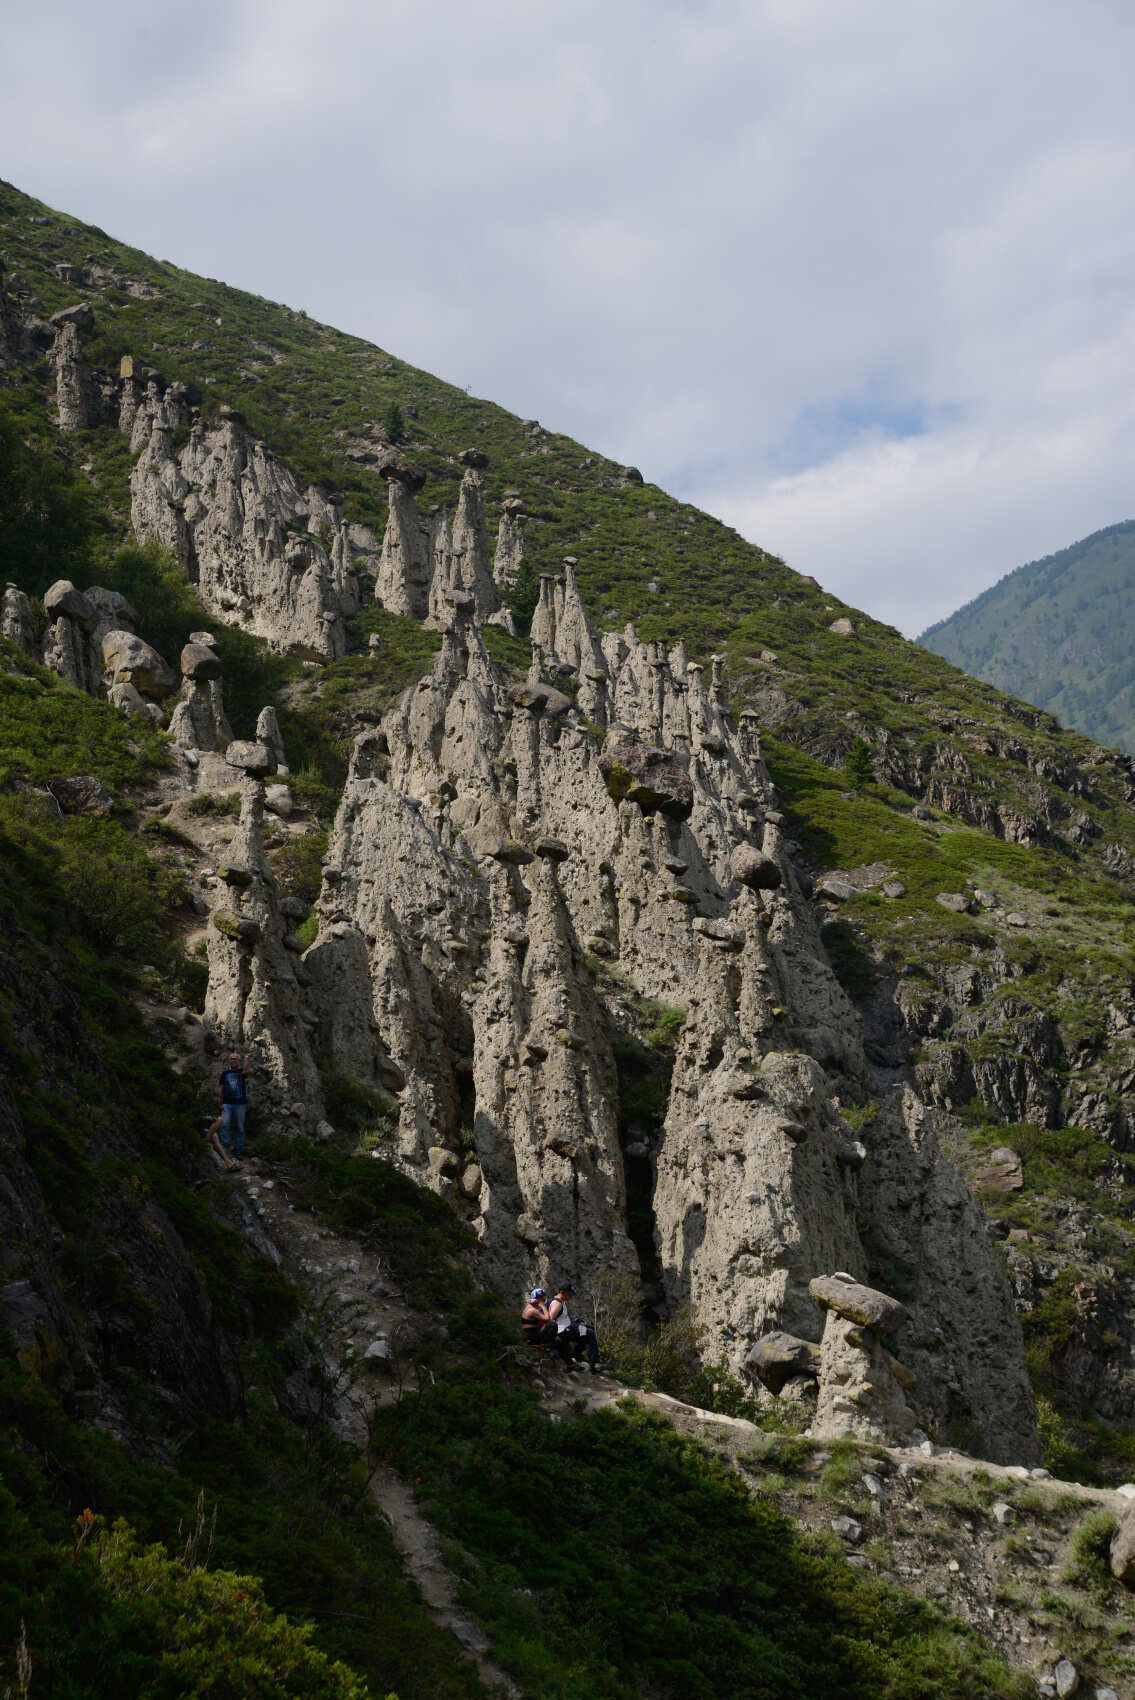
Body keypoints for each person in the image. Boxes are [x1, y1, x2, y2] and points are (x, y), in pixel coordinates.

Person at [548, 1282, 601, 1372]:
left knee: (588, 1329)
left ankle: (578, 1353)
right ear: (562, 1292)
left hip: (569, 1327)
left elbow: (563, 1317)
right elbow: (549, 1319)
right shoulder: (557, 1303)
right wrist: (554, 1335)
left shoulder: (561, 1302)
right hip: (564, 1331)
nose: (571, 1296)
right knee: (589, 1333)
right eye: (569, 1294)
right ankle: (593, 1362)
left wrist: (577, 1320)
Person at [217, 1051, 249, 1161]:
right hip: (227, 1103)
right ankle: (225, 1147)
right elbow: (221, 1087)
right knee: (224, 1124)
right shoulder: (224, 1074)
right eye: (231, 1058)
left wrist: (246, 1058)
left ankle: (237, 1151)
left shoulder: (241, 1072)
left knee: (240, 1128)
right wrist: (219, 1099)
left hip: (240, 1104)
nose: (233, 1060)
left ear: (238, 1061)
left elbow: (246, 1072)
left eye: (235, 1059)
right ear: (229, 1061)